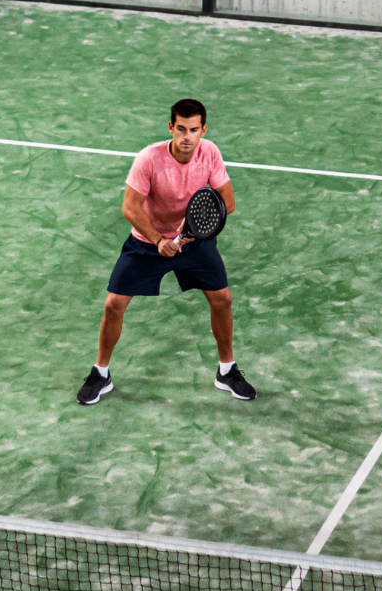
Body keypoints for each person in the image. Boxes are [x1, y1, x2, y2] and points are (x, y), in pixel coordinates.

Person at [77, 99, 254, 405]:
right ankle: (100, 373)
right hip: (147, 243)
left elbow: (228, 201)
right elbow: (130, 207)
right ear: (171, 127)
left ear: (203, 130)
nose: (188, 136)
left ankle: (226, 370)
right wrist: (159, 239)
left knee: (223, 299)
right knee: (113, 304)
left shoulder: (209, 152)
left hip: (194, 243)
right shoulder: (149, 158)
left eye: (194, 130)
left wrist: (195, 229)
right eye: (181, 129)